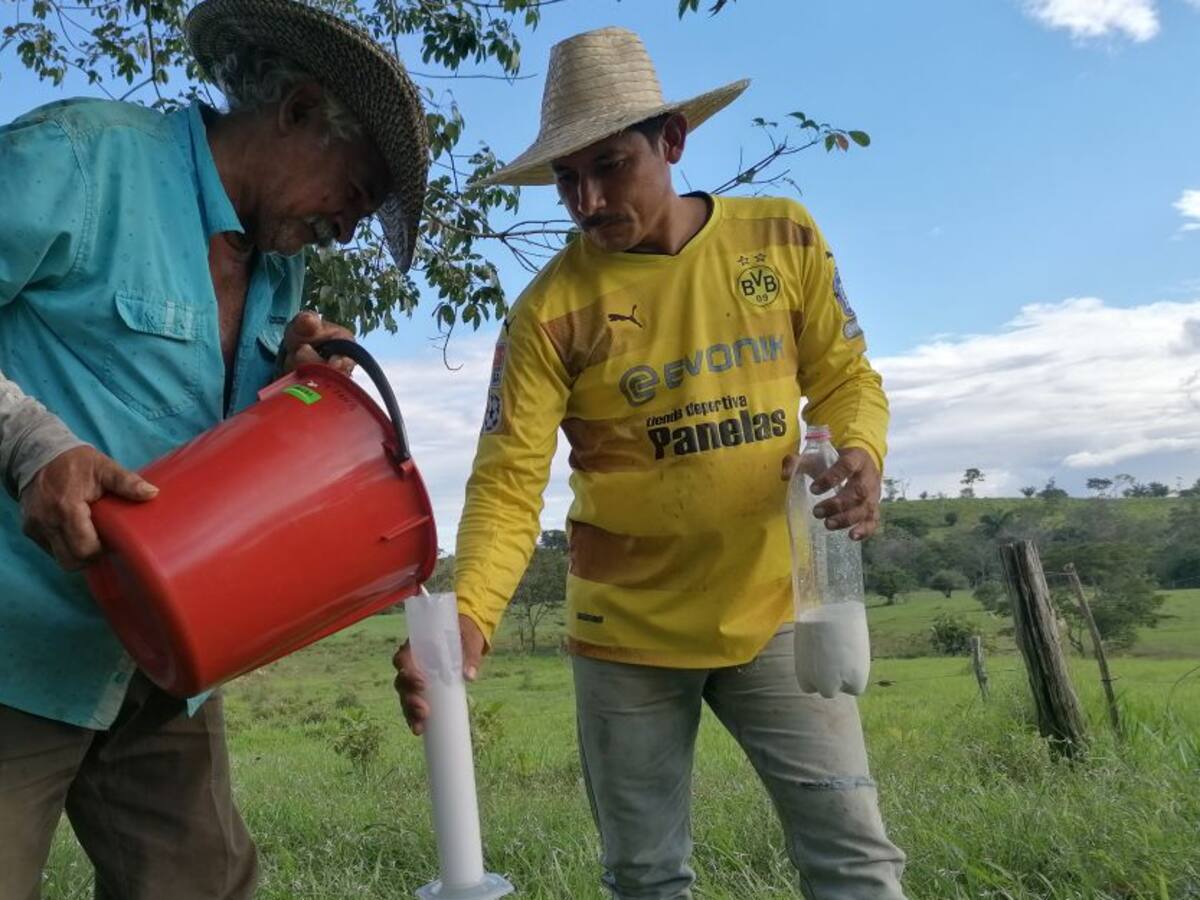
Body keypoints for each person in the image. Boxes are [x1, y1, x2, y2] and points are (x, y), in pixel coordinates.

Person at [394, 25, 907, 900]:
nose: (586, 199)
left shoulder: (780, 238)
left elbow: (846, 378)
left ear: (672, 142)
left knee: (853, 854)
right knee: (644, 876)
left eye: (610, 166)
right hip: (625, 637)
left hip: (777, 612)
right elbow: (510, 482)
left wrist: (860, 450)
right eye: (566, 177)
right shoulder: (547, 313)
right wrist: (472, 613)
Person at [0, 0, 428, 896]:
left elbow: (210, 443)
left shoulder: (280, 269)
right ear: (301, 110)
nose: (349, 226)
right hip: (17, 641)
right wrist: (30, 441)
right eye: (353, 192)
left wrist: (294, 384)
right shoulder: (82, 161)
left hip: (159, 656)